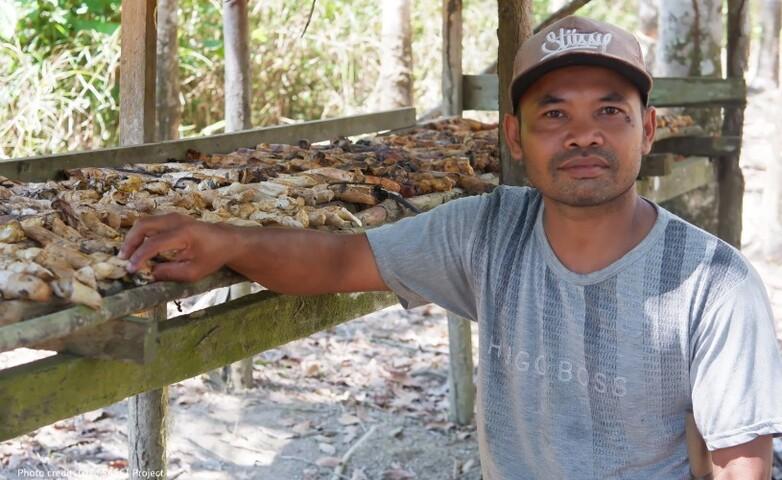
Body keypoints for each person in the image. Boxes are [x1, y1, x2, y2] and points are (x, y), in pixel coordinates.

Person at [119, 16, 782, 480]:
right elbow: (342, 260)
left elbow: (738, 466)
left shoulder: (714, 284)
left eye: (611, 111)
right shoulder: (487, 232)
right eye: (555, 114)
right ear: (516, 140)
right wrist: (225, 239)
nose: (583, 135)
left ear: (649, 131)